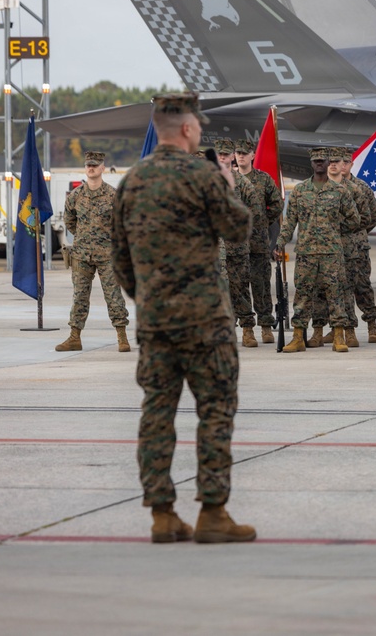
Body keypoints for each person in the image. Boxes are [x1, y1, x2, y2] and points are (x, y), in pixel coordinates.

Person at [112, 91, 255, 543]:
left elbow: (120, 258)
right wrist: (230, 189)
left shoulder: (132, 181)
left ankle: (162, 515)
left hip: (156, 322)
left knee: (157, 412)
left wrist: (147, 297)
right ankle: (213, 513)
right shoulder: (204, 175)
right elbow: (238, 231)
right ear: (190, 130)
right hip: (205, 321)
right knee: (214, 410)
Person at [275, 147, 360, 353]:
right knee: (302, 295)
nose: (320, 163)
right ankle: (298, 337)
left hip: (332, 253)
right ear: (311, 163)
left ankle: (339, 336)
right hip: (306, 253)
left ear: (328, 161)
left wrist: (334, 230)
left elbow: (354, 219)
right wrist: (280, 243)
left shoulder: (340, 191)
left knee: (335, 294)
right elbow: (289, 222)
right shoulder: (300, 191)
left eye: (323, 160)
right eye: (316, 161)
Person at [57, 151, 131, 353]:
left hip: (108, 256)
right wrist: (84, 237)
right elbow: (70, 221)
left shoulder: (113, 195)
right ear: (85, 167)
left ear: (102, 168)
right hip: (82, 255)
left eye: (95, 165)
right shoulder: (76, 196)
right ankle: (74, 338)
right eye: (88, 165)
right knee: (79, 296)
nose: (91, 168)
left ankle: (122, 337)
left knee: (114, 296)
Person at [234, 138, 283, 345]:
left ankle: (265, 326)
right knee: (240, 286)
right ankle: (247, 329)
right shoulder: (230, 180)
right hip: (236, 245)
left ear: (253, 155)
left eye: (246, 152)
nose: (242, 156)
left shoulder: (263, 179)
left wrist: (262, 222)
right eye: (239, 152)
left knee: (261, 286)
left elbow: (277, 205)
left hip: (259, 243)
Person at [214, 138, 257, 348]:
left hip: (237, 247)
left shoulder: (241, 182)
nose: (223, 157)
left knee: (240, 289)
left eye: (226, 154)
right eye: (219, 154)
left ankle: (248, 329)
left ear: (232, 157)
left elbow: (254, 210)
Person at [338, 147, 376, 344]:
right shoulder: (328, 187)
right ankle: (342, 327)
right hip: (335, 246)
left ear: (351, 164)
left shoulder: (362, 187)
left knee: (362, 287)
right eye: (339, 162)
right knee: (338, 288)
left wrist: (355, 231)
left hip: (358, 246)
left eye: (346, 162)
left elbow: (372, 217)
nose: (342, 166)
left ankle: (372, 324)